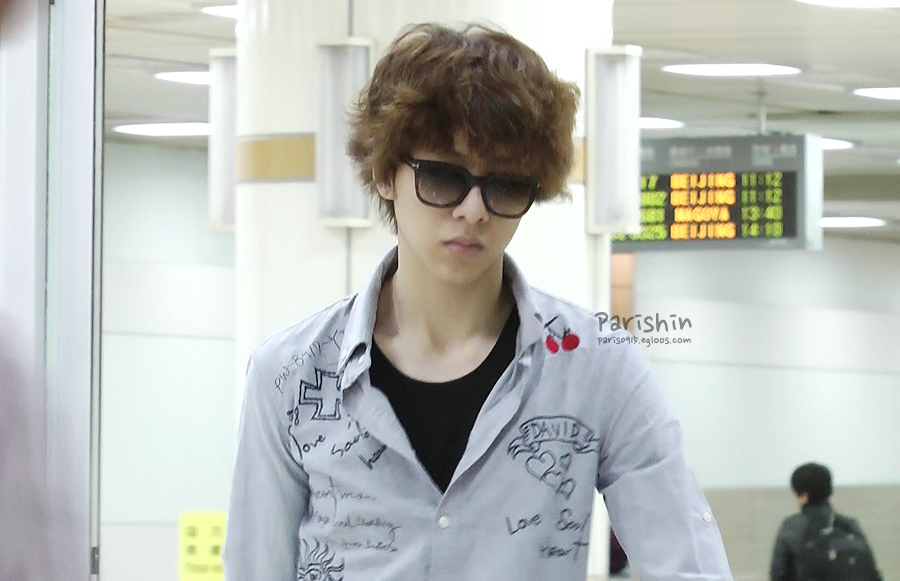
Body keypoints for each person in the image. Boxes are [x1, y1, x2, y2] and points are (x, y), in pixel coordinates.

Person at [223, 22, 732, 580]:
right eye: (443, 178)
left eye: (505, 185)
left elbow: (688, 564)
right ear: (386, 175)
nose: (473, 210)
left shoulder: (597, 366)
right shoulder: (289, 375)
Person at [769, 462, 881, 581]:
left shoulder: (791, 527)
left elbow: (778, 574)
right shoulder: (850, 525)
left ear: (803, 495)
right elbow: (872, 572)